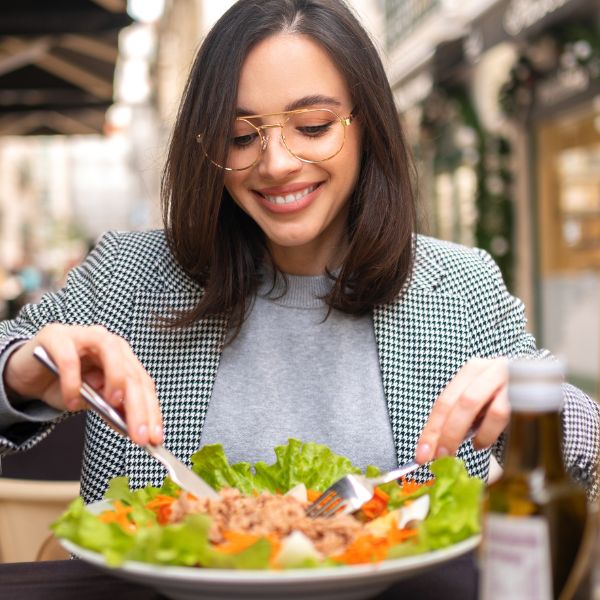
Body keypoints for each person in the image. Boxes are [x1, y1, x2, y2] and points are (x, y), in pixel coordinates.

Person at [0, 0, 597, 506]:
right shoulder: (128, 275)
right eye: (240, 136)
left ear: (368, 128)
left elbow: (589, 463)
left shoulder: (459, 285)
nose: (277, 164)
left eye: (313, 126)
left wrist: (542, 409)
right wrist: (18, 374)